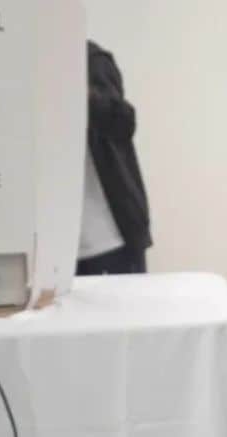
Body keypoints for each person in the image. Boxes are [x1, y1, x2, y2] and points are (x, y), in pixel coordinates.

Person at [76, 40, 152, 275]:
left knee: (131, 311)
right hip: (47, 248)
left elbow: (123, 123)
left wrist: (81, 92)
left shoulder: (91, 60)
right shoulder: (19, 68)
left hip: (111, 239)